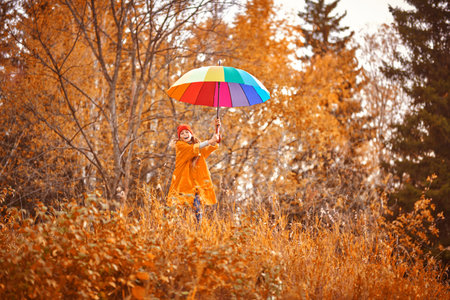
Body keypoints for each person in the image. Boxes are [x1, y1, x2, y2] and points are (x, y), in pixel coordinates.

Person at [167, 119, 221, 223]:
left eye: (187, 132)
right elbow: (193, 149)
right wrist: (209, 141)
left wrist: (217, 130)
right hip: (183, 184)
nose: (185, 134)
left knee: (197, 206)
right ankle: (181, 228)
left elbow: (208, 148)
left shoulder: (198, 146)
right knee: (181, 208)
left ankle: (198, 227)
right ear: (179, 137)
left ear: (191, 134)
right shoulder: (180, 146)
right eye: (182, 133)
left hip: (196, 184)